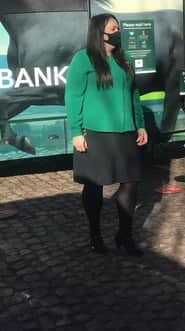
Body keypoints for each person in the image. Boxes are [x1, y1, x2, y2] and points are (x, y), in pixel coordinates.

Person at [65, 13, 148, 257]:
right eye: (113, 28)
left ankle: (124, 235)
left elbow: (134, 94)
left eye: (118, 27)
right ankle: (95, 235)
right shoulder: (84, 59)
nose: (118, 31)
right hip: (95, 134)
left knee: (130, 184)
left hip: (125, 132)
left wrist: (140, 124)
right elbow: (73, 97)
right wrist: (76, 132)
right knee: (94, 187)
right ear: (100, 33)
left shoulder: (125, 59)